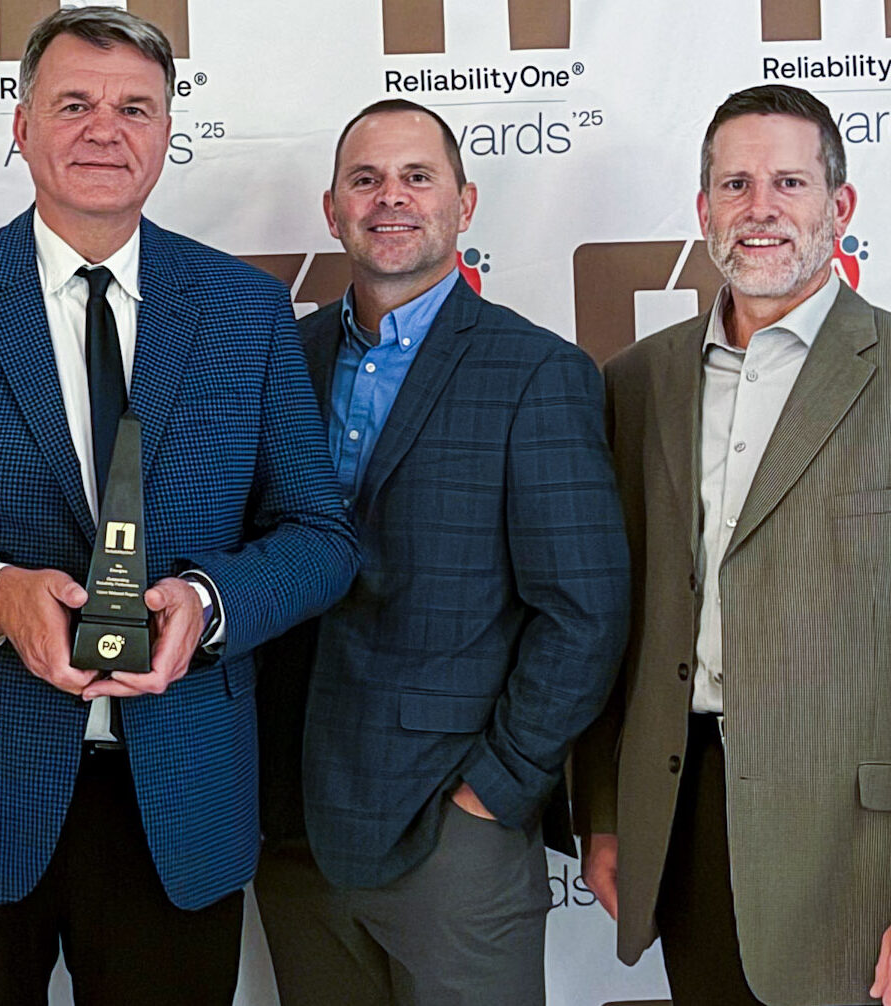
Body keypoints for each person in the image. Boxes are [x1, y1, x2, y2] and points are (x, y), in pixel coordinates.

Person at [0, 8, 358, 1004]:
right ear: (22, 131)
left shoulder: (247, 311)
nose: (106, 128)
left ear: (168, 132)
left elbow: (319, 536)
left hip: (176, 802)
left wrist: (210, 604)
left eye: (135, 106)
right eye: (75, 104)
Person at [574, 84, 891, 1006]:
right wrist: (606, 811)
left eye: (790, 182)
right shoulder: (636, 386)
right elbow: (609, 622)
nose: (761, 209)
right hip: (684, 834)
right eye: (736, 183)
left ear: (841, 205)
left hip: (872, 866)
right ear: (703, 206)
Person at [252, 99, 629, 1005]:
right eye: (366, 179)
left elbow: (585, 612)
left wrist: (494, 793)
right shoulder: (277, 357)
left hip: (448, 831)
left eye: (418, 176)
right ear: (332, 207)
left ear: (464, 201)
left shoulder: (537, 374)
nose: (392, 198)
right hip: (286, 820)